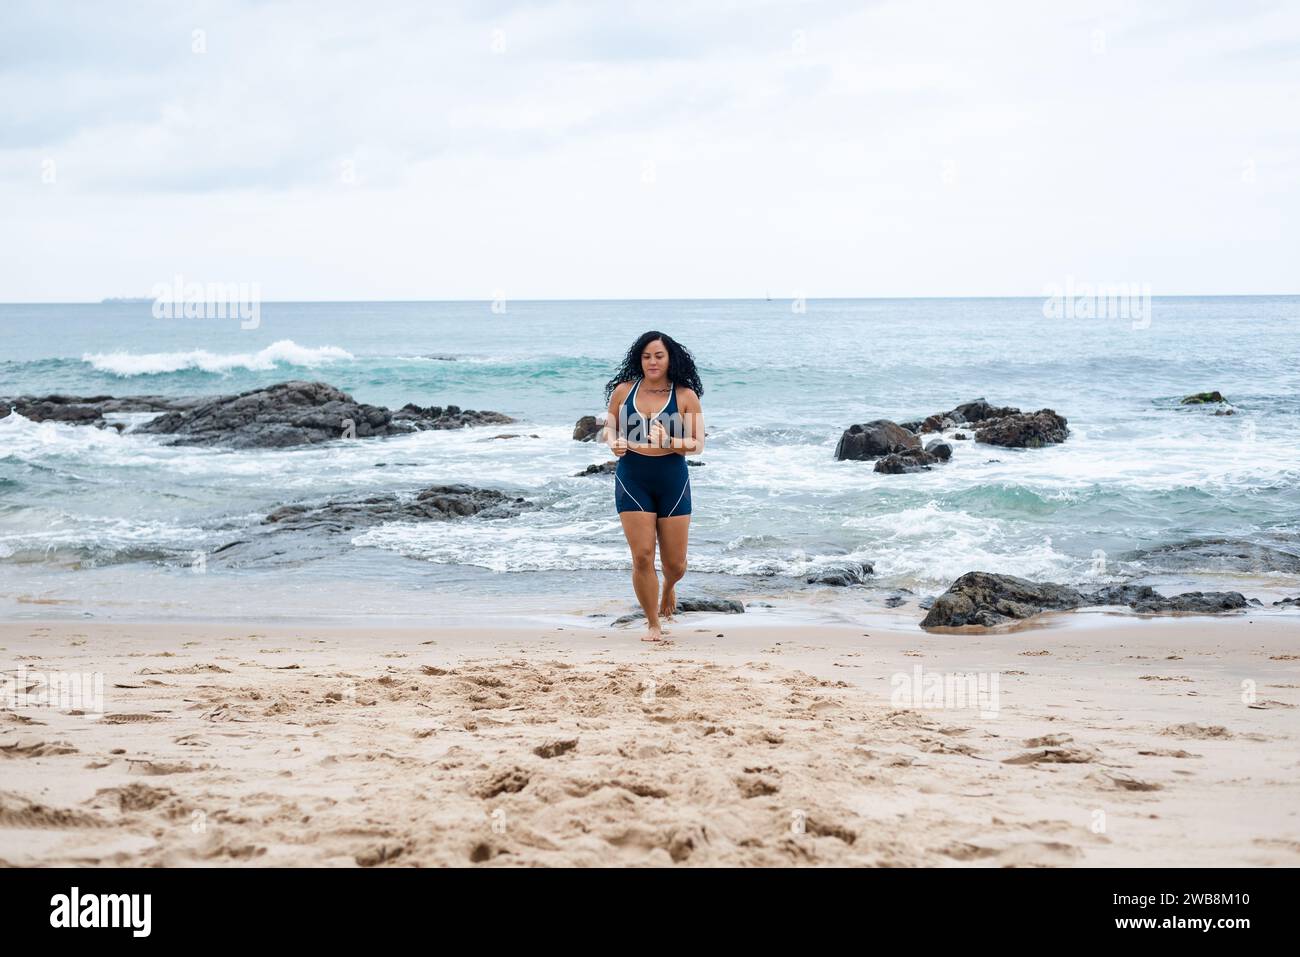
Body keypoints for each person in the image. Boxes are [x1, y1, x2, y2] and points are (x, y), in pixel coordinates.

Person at [601, 331, 705, 641]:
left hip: (672, 478)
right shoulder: (623, 391)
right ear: (639, 359)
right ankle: (652, 624)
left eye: (658, 356)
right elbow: (609, 426)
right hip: (633, 477)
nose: (652, 362)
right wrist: (613, 442)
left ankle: (669, 588)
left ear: (670, 358)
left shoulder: (685, 396)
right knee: (643, 556)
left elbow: (698, 444)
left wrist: (670, 441)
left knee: (675, 565)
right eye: (646, 356)